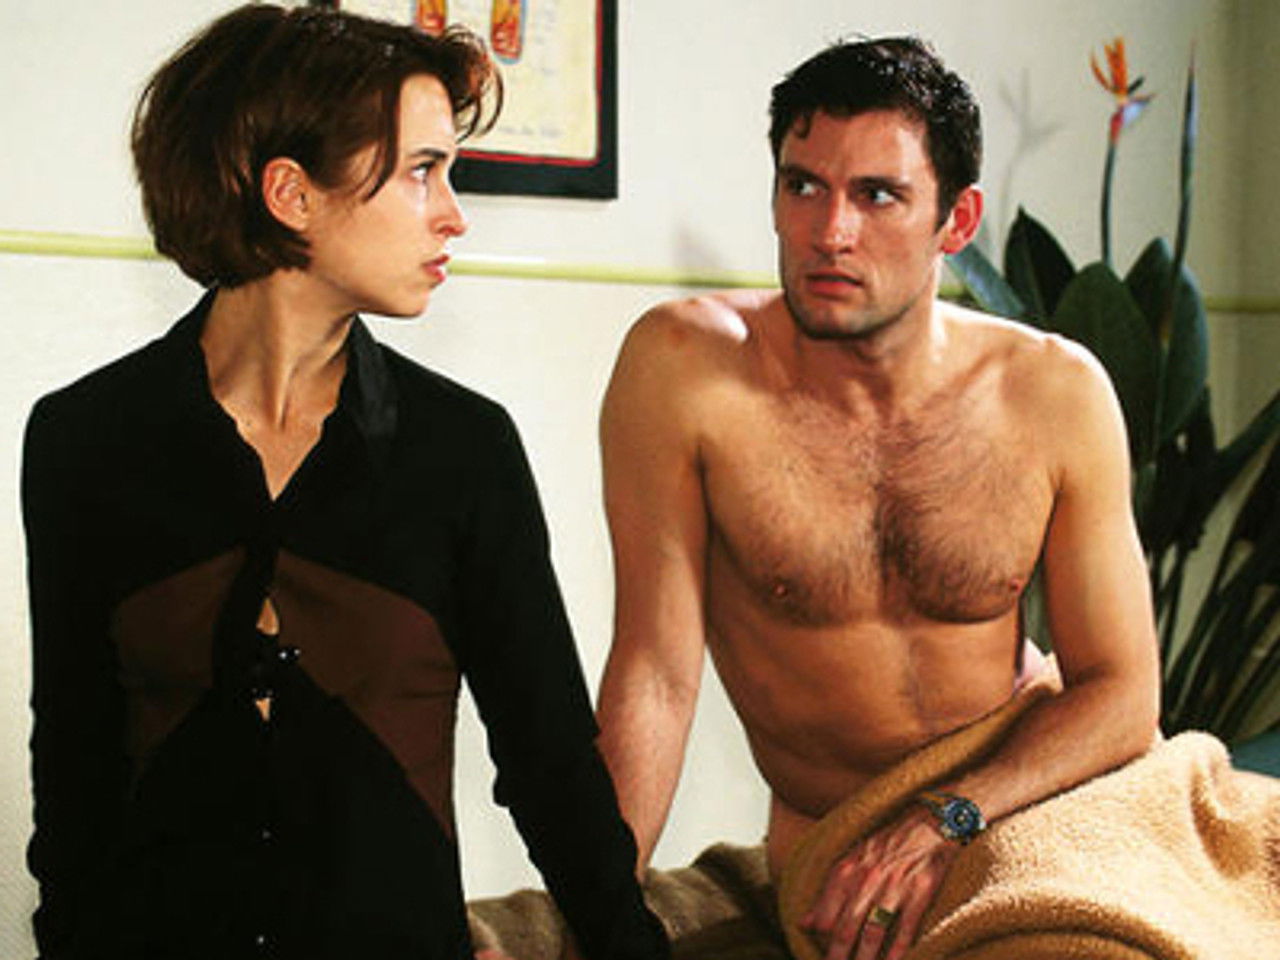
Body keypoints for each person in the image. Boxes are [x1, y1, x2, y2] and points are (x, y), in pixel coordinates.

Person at [21, 6, 668, 960]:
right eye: (422, 171)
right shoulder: (84, 439)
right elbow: (73, 775)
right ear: (292, 193)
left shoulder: (463, 450)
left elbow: (552, 769)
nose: (453, 214)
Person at [595, 36, 1160, 960]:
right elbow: (654, 676)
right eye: (803, 186)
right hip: (841, 843)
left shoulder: (1054, 391)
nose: (830, 232)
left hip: (1028, 801)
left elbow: (1123, 693)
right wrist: (595, 920)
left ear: (957, 220)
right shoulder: (687, 372)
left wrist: (951, 816)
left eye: (878, 195)